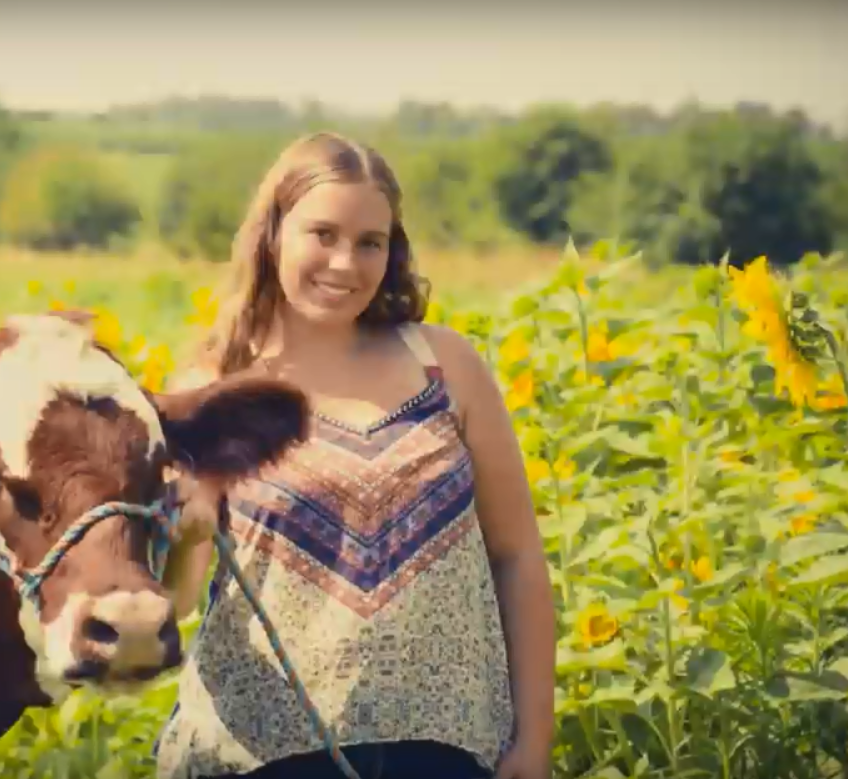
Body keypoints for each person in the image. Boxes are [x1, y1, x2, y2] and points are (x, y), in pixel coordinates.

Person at [153, 132, 556, 779]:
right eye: (322, 234)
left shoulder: (445, 365)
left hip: (448, 749)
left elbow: (517, 557)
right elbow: (174, 599)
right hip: (266, 753)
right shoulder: (211, 387)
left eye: (370, 241)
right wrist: (182, 536)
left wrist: (533, 738)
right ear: (273, 233)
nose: (345, 262)